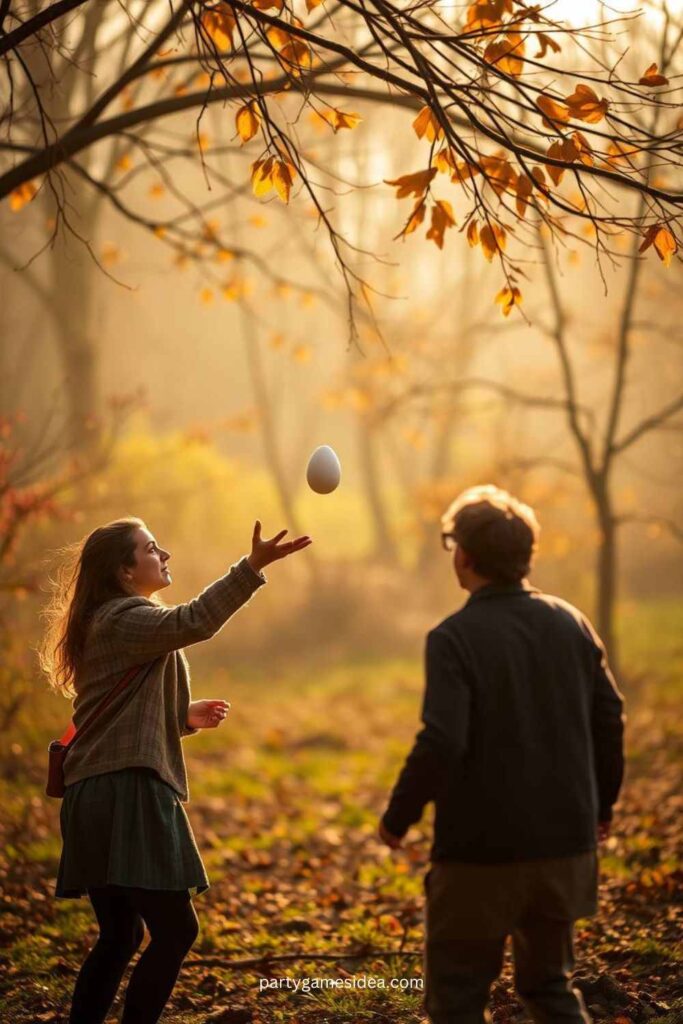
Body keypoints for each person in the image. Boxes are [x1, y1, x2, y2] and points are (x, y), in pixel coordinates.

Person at [40, 516, 311, 1024]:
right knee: (175, 932)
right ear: (124, 570)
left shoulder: (111, 620)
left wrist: (180, 716)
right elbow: (195, 620)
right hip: (128, 791)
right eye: (150, 548)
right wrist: (251, 567)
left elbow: (118, 712)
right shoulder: (124, 617)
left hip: (97, 791)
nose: (164, 555)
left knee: (120, 936)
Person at [379, 485, 625, 1024]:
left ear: (463, 557)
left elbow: (442, 739)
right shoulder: (572, 623)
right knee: (549, 987)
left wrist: (399, 816)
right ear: (526, 555)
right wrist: (602, 807)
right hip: (566, 845)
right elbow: (610, 719)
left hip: (478, 856)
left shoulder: (454, 637)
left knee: (458, 997)